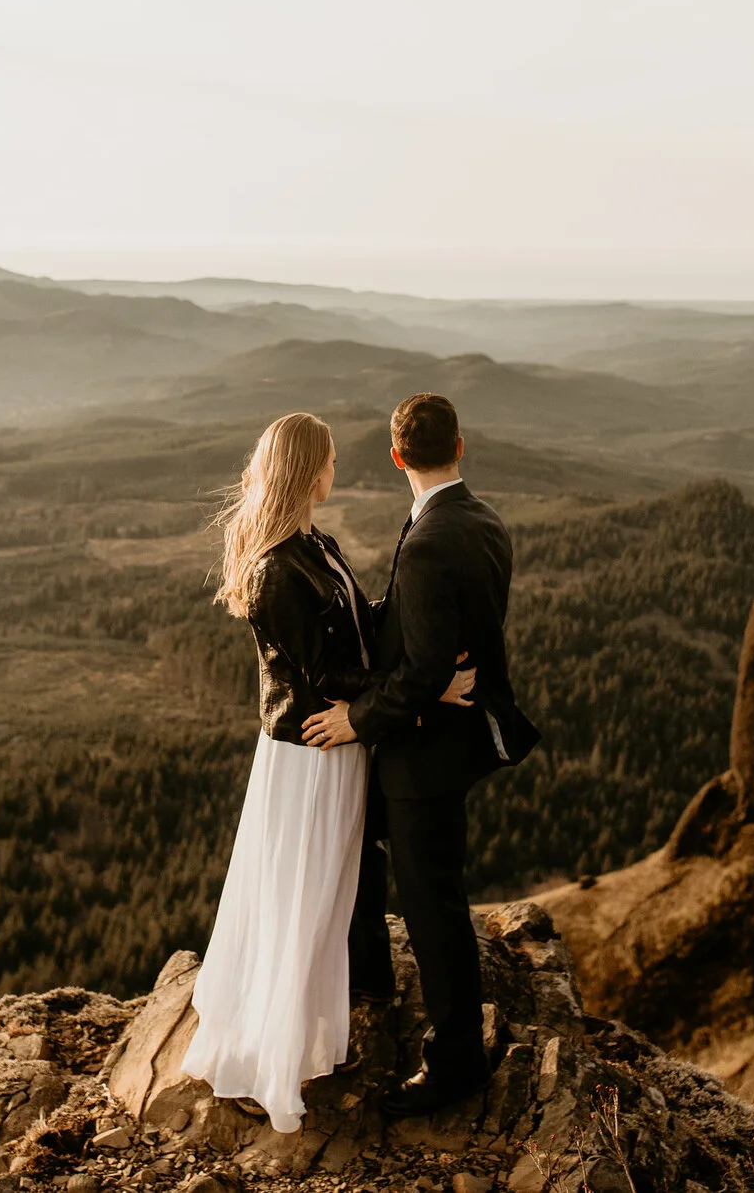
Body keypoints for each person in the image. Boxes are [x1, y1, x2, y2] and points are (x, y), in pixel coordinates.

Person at [179, 411, 477, 1133]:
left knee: (332, 889)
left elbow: (359, 626)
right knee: (302, 892)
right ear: (309, 468)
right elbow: (328, 669)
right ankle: (262, 1055)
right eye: (331, 459)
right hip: (309, 751)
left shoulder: (315, 542)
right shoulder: (278, 565)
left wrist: (415, 630)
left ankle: (316, 1022)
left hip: (339, 747)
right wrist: (429, 685)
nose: (336, 469)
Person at [304, 392, 540, 1120]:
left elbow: (428, 664)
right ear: (460, 447)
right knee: (391, 861)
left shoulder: (433, 535)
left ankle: (457, 1061)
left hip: (424, 756)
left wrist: (358, 718)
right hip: (448, 744)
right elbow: (430, 633)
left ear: (397, 455)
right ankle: (369, 974)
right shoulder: (481, 517)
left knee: (434, 904)